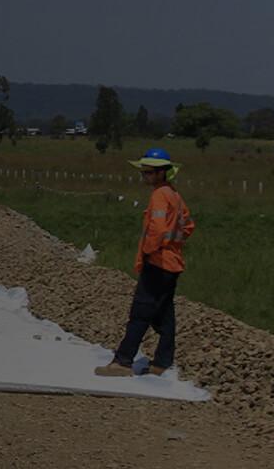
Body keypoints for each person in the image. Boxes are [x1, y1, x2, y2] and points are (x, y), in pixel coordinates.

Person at [96, 147, 195, 377]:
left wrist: (150, 251)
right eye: (144, 172)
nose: (144, 176)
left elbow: (158, 229)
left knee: (140, 313)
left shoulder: (159, 195)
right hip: (172, 264)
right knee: (164, 315)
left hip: (158, 264)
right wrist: (172, 244)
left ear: (162, 172)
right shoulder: (175, 195)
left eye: (149, 172)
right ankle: (162, 363)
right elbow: (188, 226)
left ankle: (122, 362)